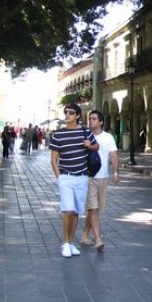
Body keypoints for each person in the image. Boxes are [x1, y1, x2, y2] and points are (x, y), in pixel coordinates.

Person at [50, 104, 98, 258]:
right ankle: (65, 243)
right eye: (66, 112)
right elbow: (53, 159)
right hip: (66, 176)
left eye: (71, 113)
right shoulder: (58, 134)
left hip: (82, 177)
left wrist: (90, 146)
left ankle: (71, 243)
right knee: (68, 210)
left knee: (76, 211)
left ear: (77, 115)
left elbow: (97, 146)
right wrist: (60, 178)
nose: (67, 115)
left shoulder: (85, 131)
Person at [80, 110, 119, 252]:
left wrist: (115, 172)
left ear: (101, 122)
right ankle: (98, 239)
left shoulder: (108, 137)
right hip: (89, 177)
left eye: (94, 119)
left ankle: (84, 235)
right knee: (94, 209)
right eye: (90, 119)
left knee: (93, 210)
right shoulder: (85, 136)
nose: (91, 121)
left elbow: (113, 155)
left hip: (103, 177)